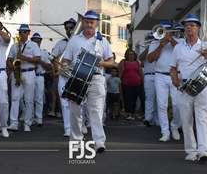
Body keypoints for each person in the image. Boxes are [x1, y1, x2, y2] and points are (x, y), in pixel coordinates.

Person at [63, 10, 114, 153]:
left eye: (92, 22)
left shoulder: (103, 40)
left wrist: (100, 63)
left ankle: (99, 142)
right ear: (83, 23)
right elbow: (66, 60)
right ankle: (76, 141)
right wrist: (65, 69)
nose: (89, 24)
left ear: (97, 23)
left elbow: (112, 62)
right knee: (75, 111)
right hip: (77, 77)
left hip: (96, 78)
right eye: (86, 21)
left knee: (96, 111)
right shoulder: (74, 40)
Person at [170, 14, 207, 162]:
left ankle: (203, 151)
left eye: (192, 25)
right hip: (185, 87)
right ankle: (191, 152)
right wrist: (176, 81)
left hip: (202, 86)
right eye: (187, 25)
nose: (189, 27)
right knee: (186, 120)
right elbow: (172, 69)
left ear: (198, 28)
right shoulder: (178, 47)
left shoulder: (206, 45)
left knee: (202, 119)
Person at [148, 20, 181, 142]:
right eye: (162, 31)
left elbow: (181, 53)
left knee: (177, 105)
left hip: (175, 75)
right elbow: (150, 59)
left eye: (167, 31)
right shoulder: (154, 42)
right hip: (160, 75)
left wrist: (171, 40)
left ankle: (175, 127)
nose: (164, 34)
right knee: (162, 105)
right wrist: (161, 45)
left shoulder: (180, 41)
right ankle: (165, 132)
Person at [7, 24, 41, 132]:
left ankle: (27, 123)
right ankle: (13, 123)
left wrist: (24, 57)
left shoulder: (34, 45)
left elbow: (37, 59)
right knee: (15, 98)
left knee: (29, 100)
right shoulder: (14, 46)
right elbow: (9, 60)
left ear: (28, 33)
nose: (22, 34)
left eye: (25, 32)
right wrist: (13, 69)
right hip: (17, 73)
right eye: (21, 32)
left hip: (29, 73)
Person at [51, 18, 77, 137]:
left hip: (76, 75)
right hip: (63, 75)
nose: (68, 30)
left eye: (71, 28)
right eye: (66, 28)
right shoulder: (61, 43)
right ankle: (67, 128)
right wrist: (57, 67)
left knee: (77, 103)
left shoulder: (79, 42)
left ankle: (77, 127)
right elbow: (53, 57)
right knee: (65, 103)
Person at [30, 32, 52, 126]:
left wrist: (40, 61)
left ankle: (39, 119)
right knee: (29, 98)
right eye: (34, 40)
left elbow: (49, 67)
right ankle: (29, 117)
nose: (36, 42)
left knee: (39, 98)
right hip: (30, 75)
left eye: (38, 41)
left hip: (39, 76)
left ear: (40, 41)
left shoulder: (44, 52)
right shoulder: (28, 51)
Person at [118, 49, 143, 120]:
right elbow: (120, 72)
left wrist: (142, 81)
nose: (131, 56)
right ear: (127, 55)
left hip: (137, 84)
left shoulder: (137, 62)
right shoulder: (123, 62)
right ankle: (128, 114)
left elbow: (140, 72)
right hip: (126, 84)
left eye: (132, 54)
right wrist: (119, 81)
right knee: (128, 99)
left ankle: (133, 114)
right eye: (129, 54)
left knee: (134, 99)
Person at [141, 33, 158, 127]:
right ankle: (148, 118)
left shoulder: (159, 47)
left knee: (159, 99)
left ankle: (158, 120)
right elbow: (140, 58)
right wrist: (148, 49)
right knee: (149, 98)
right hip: (148, 76)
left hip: (159, 75)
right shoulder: (146, 48)